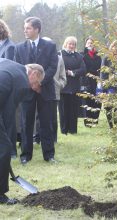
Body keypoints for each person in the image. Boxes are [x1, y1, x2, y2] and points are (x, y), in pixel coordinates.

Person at [0, 58, 44, 204]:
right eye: (37, 83)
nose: (34, 88)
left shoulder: (7, 62)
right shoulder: (22, 82)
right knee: (4, 149)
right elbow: (8, 114)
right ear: (34, 74)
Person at [14, 17, 58, 164]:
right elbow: (18, 68)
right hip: (27, 90)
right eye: (25, 28)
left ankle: (49, 155)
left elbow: (53, 67)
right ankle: (25, 155)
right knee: (26, 122)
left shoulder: (50, 46)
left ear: (37, 29)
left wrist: (40, 83)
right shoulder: (19, 48)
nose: (25, 31)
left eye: (28, 28)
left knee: (46, 123)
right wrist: (31, 84)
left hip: (45, 90)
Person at [59, 36, 86, 134]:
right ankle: (64, 130)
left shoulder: (79, 56)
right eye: (70, 44)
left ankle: (73, 130)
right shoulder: (60, 54)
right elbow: (58, 68)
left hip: (74, 86)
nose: (71, 46)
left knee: (74, 110)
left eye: (73, 44)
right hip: (63, 86)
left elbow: (83, 70)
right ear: (66, 44)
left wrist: (72, 72)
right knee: (63, 110)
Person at [0, 19, 18, 157]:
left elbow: (8, 67)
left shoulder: (10, 47)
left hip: (8, 88)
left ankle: (11, 151)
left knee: (8, 120)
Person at [81, 36, 102, 127]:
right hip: (86, 81)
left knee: (97, 101)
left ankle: (95, 120)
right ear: (86, 44)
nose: (90, 44)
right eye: (88, 43)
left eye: (92, 43)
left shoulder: (98, 56)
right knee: (87, 101)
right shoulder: (82, 55)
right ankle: (88, 122)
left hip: (96, 81)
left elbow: (101, 69)